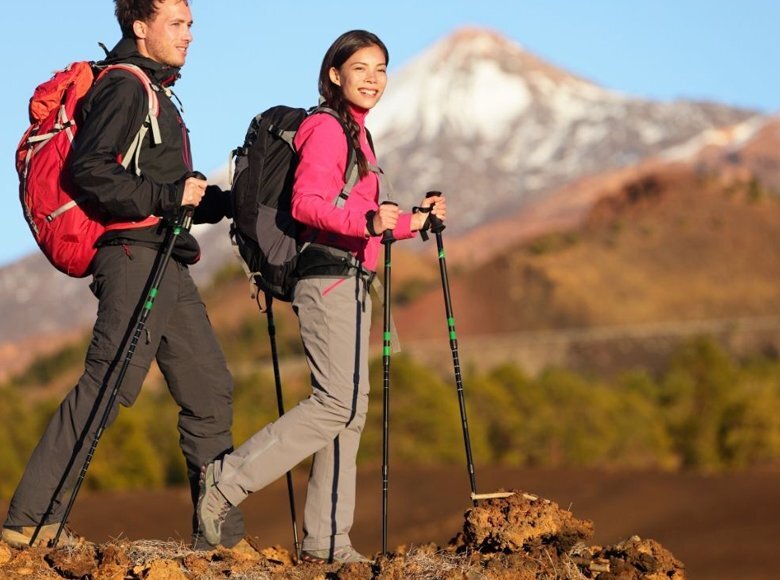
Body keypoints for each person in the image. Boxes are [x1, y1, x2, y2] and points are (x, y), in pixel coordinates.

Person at [1, 0, 246, 550]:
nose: (188, 35)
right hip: (134, 257)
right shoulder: (126, 86)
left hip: (167, 256)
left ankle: (221, 541)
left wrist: (225, 202)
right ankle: (28, 524)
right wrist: (166, 195)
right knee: (109, 382)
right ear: (140, 27)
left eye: (190, 25)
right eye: (176, 24)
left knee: (209, 392)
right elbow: (89, 170)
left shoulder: (157, 92)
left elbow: (167, 193)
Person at [196, 29, 446, 564]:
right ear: (335, 75)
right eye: (361, 68)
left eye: (381, 68)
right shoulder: (328, 128)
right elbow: (309, 204)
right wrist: (366, 218)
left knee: (348, 414)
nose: (374, 78)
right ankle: (225, 482)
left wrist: (414, 223)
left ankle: (327, 542)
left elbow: (364, 223)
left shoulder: (359, 137)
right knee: (335, 403)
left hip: (353, 278)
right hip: (328, 279)